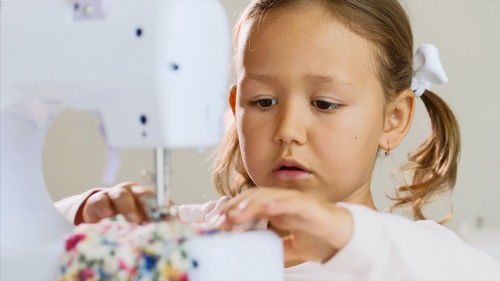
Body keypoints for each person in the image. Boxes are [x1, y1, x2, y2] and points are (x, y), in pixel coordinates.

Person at [55, 0, 500, 280]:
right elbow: (20, 239)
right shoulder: (194, 234)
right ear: (235, 108)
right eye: (263, 101)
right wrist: (86, 211)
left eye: (325, 104)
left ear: (394, 118)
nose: (287, 129)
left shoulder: (407, 256)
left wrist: (344, 235)